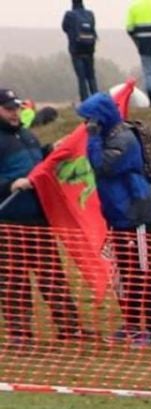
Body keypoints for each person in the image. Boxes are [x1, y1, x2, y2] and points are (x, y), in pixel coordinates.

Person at [0, 85, 84, 349]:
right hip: (9, 220)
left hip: (39, 217)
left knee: (52, 275)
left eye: (17, 108)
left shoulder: (27, 136)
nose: (14, 114)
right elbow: (15, 175)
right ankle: (20, 335)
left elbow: (36, 164)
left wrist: (51, 150)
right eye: (9, 109)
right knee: (14, 280)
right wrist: (10, 185)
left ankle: (70, 328)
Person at [78, 89, 151, 347]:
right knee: (124, 272)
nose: (86, 125)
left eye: (89, 119)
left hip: (135, 214)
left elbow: (101, 165)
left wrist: (92, 138)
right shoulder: (108, 137)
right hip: (118, 213)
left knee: (140, 271)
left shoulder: (123, 140)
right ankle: (132, 324)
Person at [61, 1, 100, 103]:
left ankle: (86, 102)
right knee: (91, 76)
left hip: (76, 50)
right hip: (89, 49)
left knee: (81, 78)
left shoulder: (69, 15)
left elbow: (64, 28)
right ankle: (97, 100)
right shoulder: (90, 14)